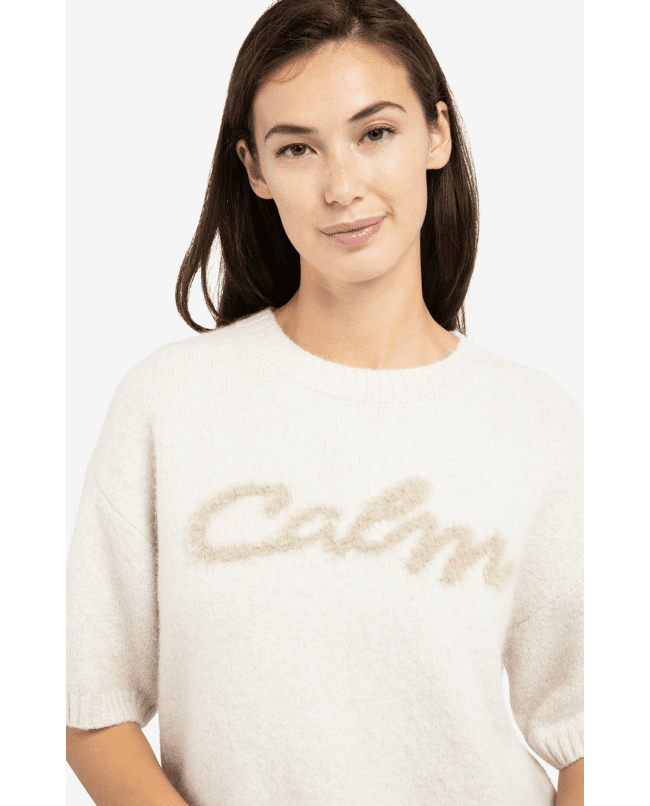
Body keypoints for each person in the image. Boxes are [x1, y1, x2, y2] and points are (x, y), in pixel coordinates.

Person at [66, 1, 584, 804]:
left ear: (436, 135)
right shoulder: (169, 402)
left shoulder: (534, 421)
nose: (342, 186)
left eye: (375, 133)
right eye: (298, 148)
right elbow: (85, 700)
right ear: (255, 170)